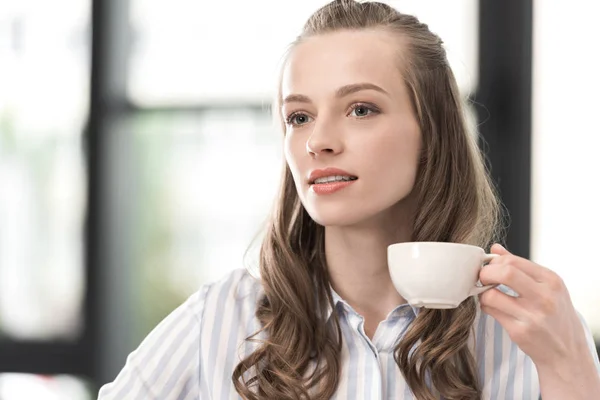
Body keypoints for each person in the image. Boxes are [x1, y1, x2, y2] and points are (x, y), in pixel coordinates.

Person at [97, 1, 600, 399]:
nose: (318, 141)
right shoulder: (219, 321)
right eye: (299, 117)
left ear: (434, 133)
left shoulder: (532, 336)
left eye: (360, 109)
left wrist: (572, 371)